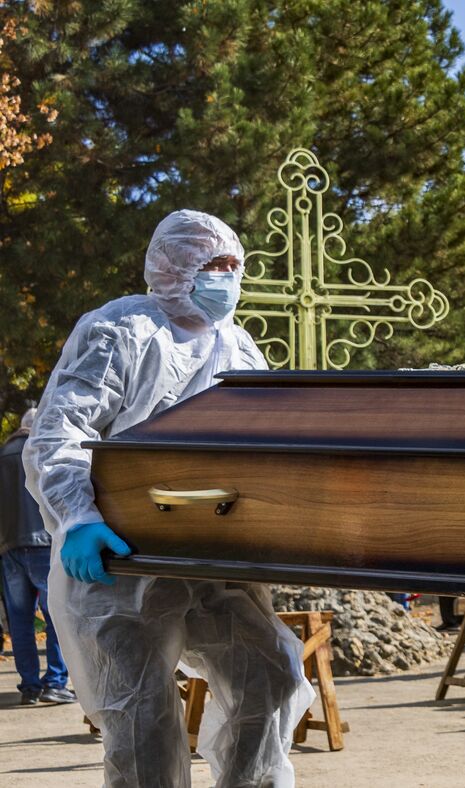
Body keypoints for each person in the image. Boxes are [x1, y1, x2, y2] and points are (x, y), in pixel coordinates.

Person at [24, 210, 313, 787]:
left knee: (269, 675)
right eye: (214, 265)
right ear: (174, 267)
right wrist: (77, 517)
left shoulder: (239, 347)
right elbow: (60, 431)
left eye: (235, 265)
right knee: (139, 712)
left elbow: (264, 437)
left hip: (214, 552)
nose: (228, 277)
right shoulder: (119, 330)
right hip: (124, 555)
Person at [1, 408, 74, 705]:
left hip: (8, 549)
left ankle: (29, 686)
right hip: (45, 545)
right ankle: (55, 682)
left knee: (20, 621)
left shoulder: (3, 454)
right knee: (56, 614)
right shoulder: (42, 452)